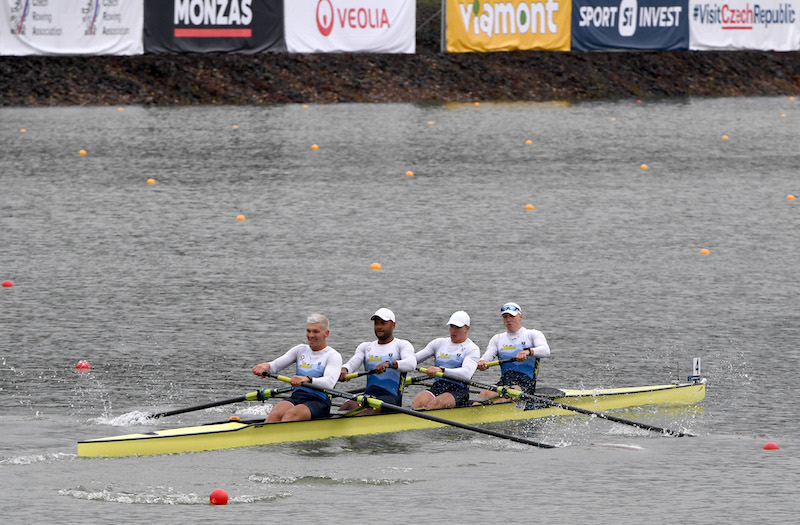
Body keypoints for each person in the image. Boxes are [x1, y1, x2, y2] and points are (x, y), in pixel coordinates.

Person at [252, 314, 342, 422]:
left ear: (326, 333)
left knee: (290, 415)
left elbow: (329, 383)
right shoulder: (300, 350)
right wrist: (266, 366)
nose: (311, 335)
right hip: (297, 397)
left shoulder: (333, 355)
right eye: (308, 331)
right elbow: (275, 366)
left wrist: (308, 379)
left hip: (319, 401)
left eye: (315, 332)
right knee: (275, 414)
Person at [337, 308, 416, 415]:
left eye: (383, 323)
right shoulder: (365, 347)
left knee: (365, 413)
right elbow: (352, 363)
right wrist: (344, 370)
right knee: (346, 406)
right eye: (376, 323)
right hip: (369, 396)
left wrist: (389, 364)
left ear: (393, 325)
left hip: (391, 400)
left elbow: (411, 363)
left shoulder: (401, 345)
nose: (379, 326)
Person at [476, 302, 550, 405]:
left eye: (512, 316)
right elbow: (487, 356)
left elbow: (546, 351)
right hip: (505, 382)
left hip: (526, 384)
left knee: (504, 398)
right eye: (505, 316)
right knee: (484, 394)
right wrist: (482, 362)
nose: (508, 319)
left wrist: (528, 352)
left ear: (520, 317)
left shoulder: (532, 334)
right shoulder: (497, 339)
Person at [412, 311, 480, 409]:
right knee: (417, 403)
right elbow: (414, 359)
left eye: (457, 327)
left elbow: (466, 373)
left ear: (467, 328)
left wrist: (442, 370)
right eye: (451, 326)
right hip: (437, 387)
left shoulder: (472, 348)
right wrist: (393, 362)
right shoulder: (438, 343)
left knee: (433, 405)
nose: (453, 331)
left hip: (458, 390)